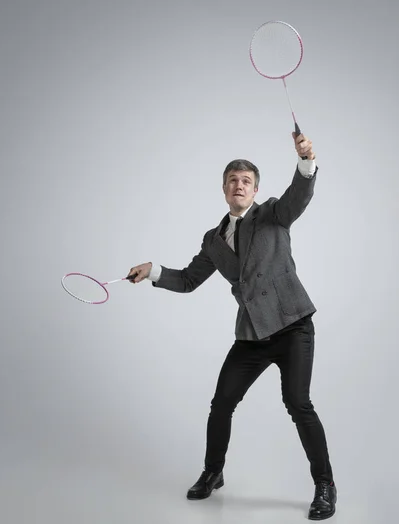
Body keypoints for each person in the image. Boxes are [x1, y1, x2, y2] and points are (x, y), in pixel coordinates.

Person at [127, 132, 336, 520]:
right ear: (224, 189)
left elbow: (299, 196)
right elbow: (189, 280)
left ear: (255, 190)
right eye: (232, 181)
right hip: (252, 334)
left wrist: (306, 163)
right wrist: (153, 270)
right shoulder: (213, 240)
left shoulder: (273, 213)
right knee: (221, 403)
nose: (239, 186)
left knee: (298, 403)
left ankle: (325, 485)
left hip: (293, 327)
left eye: (246, 181)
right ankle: (213, 472)